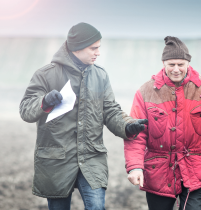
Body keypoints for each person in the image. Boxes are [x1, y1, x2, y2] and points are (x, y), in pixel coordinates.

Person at [19, 22, 147, 210]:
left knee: (96, 207)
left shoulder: (101, 76)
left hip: (92, 158)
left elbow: (110, 110)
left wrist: (128, 126)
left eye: (99, 48)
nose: (98, 53)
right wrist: (44, 102)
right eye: (93, 48)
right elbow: (25, 110)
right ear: (77, 48)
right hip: (56, 161)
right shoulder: (45, 75)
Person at [124, 36, 201, 210]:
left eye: (180, 64)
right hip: (158, 171)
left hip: (196, 169)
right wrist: (135, 167)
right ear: (163, 64)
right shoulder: (145, 92)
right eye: (171, 64)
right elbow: (136, 135)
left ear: (188, 63)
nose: (176, 69)